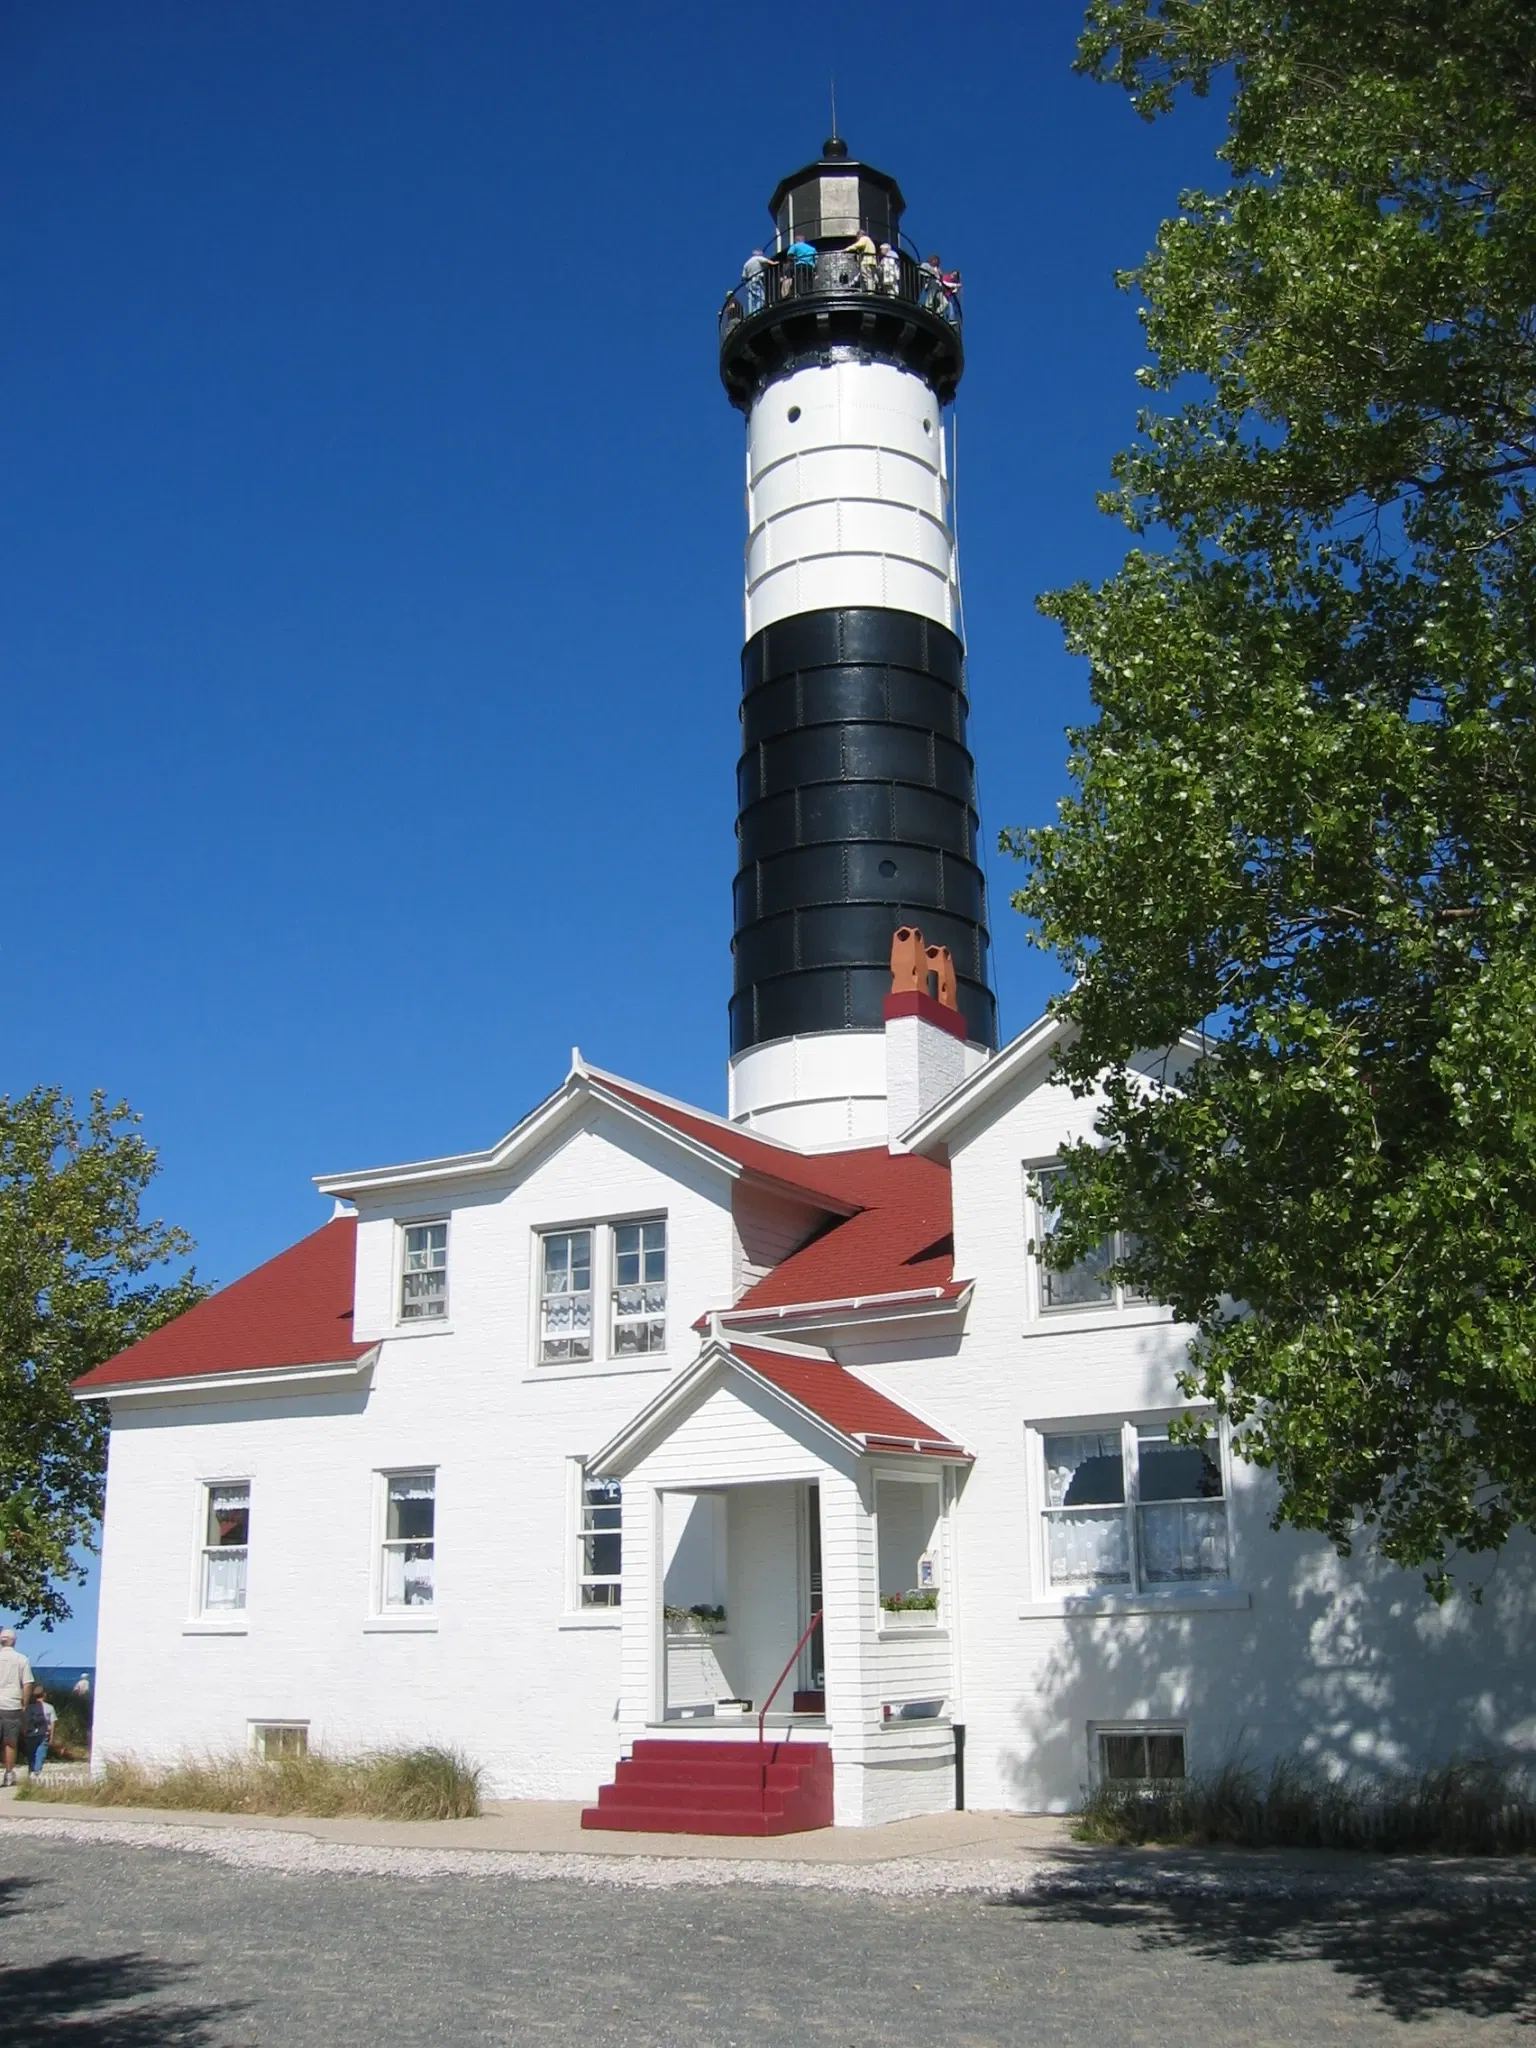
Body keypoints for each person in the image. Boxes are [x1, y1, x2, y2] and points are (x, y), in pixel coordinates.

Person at [0, 1628, 33, 1788]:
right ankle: (8, 1773)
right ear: (14, 1641)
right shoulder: (21, 1659)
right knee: (10, 1741)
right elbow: (27, 1684)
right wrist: (24, 1704)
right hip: (12, 1704)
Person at [23, 1687, 53, 1778]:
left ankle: (31, 1770)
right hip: (43, 1733)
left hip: (31, 1733)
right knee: (41, 1751)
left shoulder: (29, 1707)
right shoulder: (49, 1707)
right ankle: (37, 1771)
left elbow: (25, 1721)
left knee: (31, 1752)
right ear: (44, 1695)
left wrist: (24, 1732)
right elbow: (53, 1723)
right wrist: (52, 1736)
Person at [740, 247, 772, 316]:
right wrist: (774, 263)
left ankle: (752, 313)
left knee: (751, 299)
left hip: (749, 283)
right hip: (757, 280)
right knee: (761, 297)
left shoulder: (747, 263)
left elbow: (743, 277)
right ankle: (759, 311)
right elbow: (767, 261)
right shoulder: (758, 258)